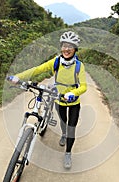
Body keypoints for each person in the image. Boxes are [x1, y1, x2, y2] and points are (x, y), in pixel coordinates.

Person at [7, 31, 87, 169]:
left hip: (73, 102)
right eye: (64, 46)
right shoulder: (56, 62)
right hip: (58, 99)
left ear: (75, 49)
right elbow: (37, 70)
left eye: (70, 46)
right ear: (61, 47)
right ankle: (63, 134)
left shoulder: (79, 66)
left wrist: (73, 93)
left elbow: (84, 86)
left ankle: (68, 153)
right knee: (63, 121)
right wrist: (18, 77)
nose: (66, 49)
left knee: (71, 128)